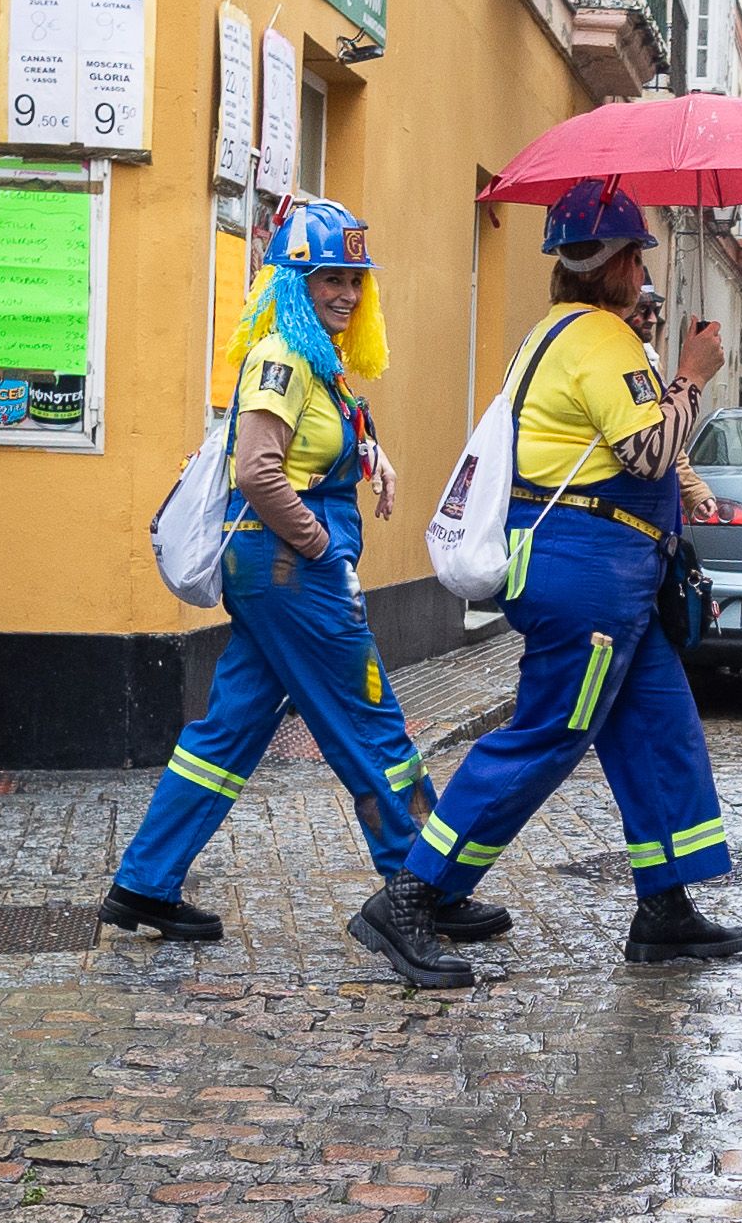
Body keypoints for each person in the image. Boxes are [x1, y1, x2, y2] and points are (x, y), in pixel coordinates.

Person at [350, 178, 741, 986]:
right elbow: (646, 453)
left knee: (657, 730)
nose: (641, 271)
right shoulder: (598, 338)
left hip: (607, 572)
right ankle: (412, 897)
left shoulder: (556, 331)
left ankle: (665, 908)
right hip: (589, 572)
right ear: (622, 265)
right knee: (547, 734)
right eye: (636, 256)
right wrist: (693, 374)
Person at [100, 201, 509, 946]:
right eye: (329, 278)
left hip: (281, 569)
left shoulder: (316, 358)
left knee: (228, 732)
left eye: (355, 278)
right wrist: (321, 546)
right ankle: (421, 885)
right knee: (372, 722)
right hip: (290, 569)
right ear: (293, 282)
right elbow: (258, 472)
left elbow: (312, 448)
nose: (347, 293)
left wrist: (373, 463)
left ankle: (143, 884)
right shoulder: (284, 358)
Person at [629, 284, 721, 524]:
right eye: (643, 308)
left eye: (654, 308)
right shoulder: (618, 360)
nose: (652, 318)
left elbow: (664, 437)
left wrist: (693, 490)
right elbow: (651, 446)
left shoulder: (648, 359)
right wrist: (693, 375)